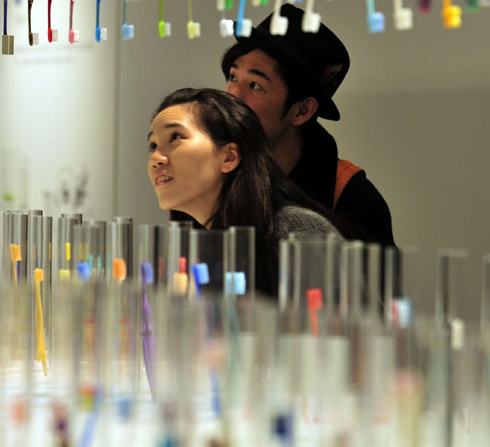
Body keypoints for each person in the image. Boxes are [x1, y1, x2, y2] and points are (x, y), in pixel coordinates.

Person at [222, 3, 395, 250]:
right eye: (233, 77)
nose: (232, 96)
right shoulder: (215, 176)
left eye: (255, 85)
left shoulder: (352, 199)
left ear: (302, 111)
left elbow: (377, 287)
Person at [147, 87, 346, 296]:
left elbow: (353, 323)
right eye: (152, 145)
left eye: (175, 136)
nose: (156, 159)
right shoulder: (189, 250)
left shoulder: (295, 230)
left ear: (229, 157)